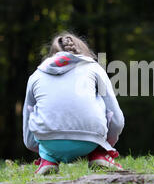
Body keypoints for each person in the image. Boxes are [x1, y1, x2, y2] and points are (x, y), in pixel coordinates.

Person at [23, 32, 125, 174]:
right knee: (99, 104)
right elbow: (117, 119)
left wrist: (41, 146)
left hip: (49, 141)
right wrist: (106, 144)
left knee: (40, 112)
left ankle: (48, 159)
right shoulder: (94, 68)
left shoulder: (36, 75)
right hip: (90, 141)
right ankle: (99, 154)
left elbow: (28, 121)